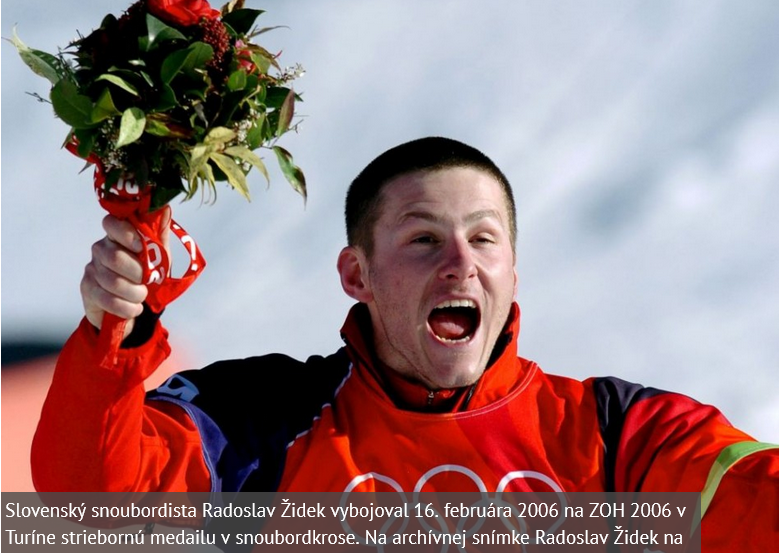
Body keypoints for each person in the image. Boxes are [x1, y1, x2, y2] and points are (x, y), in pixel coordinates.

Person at [32, 137, 778, 551]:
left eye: (484, 238)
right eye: (423, 239)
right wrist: (113, 334)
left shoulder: (616, 434)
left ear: (512, 269)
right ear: (356, 272)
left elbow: (755, 504)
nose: (461, 262)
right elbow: (90, 502)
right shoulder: (258, 422)